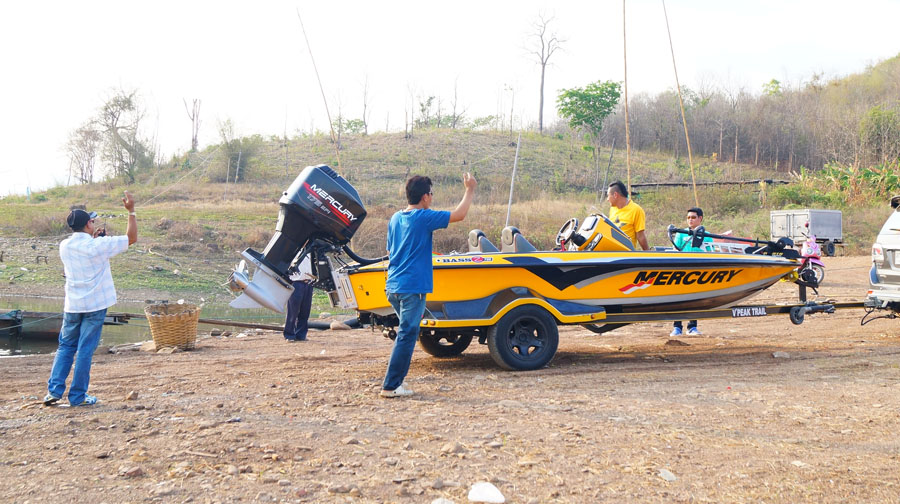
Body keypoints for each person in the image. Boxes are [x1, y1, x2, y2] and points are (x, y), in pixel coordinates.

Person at [380, 172, 477, 398]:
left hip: (393, 286)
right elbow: (459, 215)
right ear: (424, 197)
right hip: (412, 288)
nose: (431, 199)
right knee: (407, 334)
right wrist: (470, 189)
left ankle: (395, 383)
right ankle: (391, 386)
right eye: (431, 194)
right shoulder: (423, 217)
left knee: (408, 334)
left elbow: (389, 251)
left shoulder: (395, 218)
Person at [44, 192, 138, 406]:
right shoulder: (98, 246)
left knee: (65, 347)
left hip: (73, 306)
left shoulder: (64, 246)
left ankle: (54, 392)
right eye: (92, 220)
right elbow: (131, 238)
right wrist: (131, 211)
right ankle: (77, 397)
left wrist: (96, 240)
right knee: (85, 349)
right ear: (88, 224)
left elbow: (85, 253)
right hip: (95, 306)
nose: (94, 222)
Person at [671, 207, 713, 337]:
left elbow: (710, 253)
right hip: (682, 270)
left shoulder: (707, 236)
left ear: (700, 219)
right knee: (678, 299)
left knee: (695, 299)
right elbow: (675, 251)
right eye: (688, 217)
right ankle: (677, 327)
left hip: (698, 271)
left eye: (693, 217)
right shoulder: (680, 233)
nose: (690, 220)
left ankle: (692, 326)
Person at [607, 180, 650, 250]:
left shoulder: (636, 210)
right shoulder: (612, 209)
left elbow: (640, 236)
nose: (607, 199)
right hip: (612, 253)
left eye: (608, 196)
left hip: (626, 255)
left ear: (615, 195)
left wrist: (649, 255)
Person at [284, 253, 314, 342]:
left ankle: (301, 335)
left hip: (308, 283)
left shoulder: (311, 253)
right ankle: (289, 335)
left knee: (305, 311)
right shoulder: (294, 252)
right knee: (293, 311)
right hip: (296, 283)